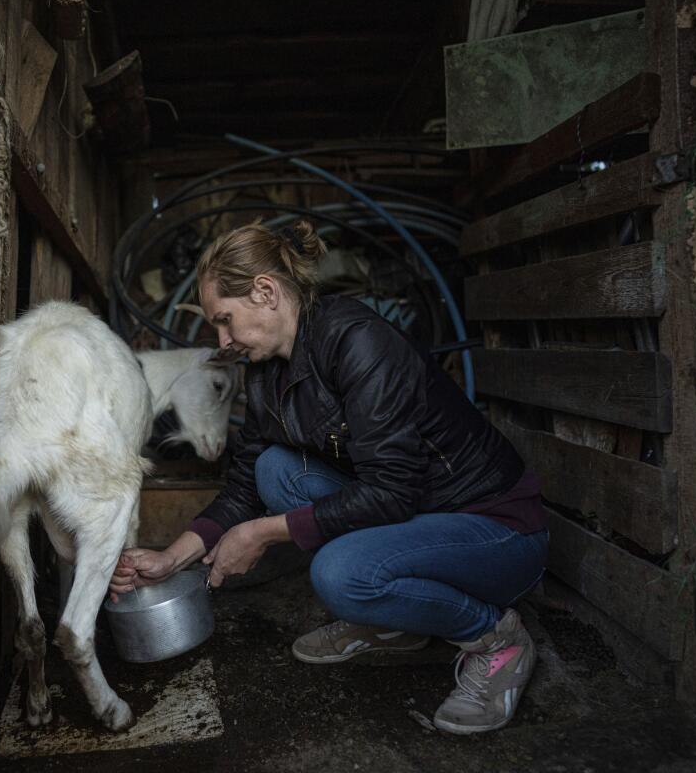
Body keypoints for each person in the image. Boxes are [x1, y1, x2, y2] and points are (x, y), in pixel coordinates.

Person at [109, 219, 549, 734]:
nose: (222, 340)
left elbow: (393, 490)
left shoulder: (357, 341)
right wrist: (171, 557)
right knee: (276, 469)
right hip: (424, 516)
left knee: (340, 575)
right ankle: (397, 620)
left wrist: (263, 533)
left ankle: (497, 639)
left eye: (225, 320)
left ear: (266, 292)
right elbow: (248, 482)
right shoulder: (267, 369)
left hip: (495, 531)